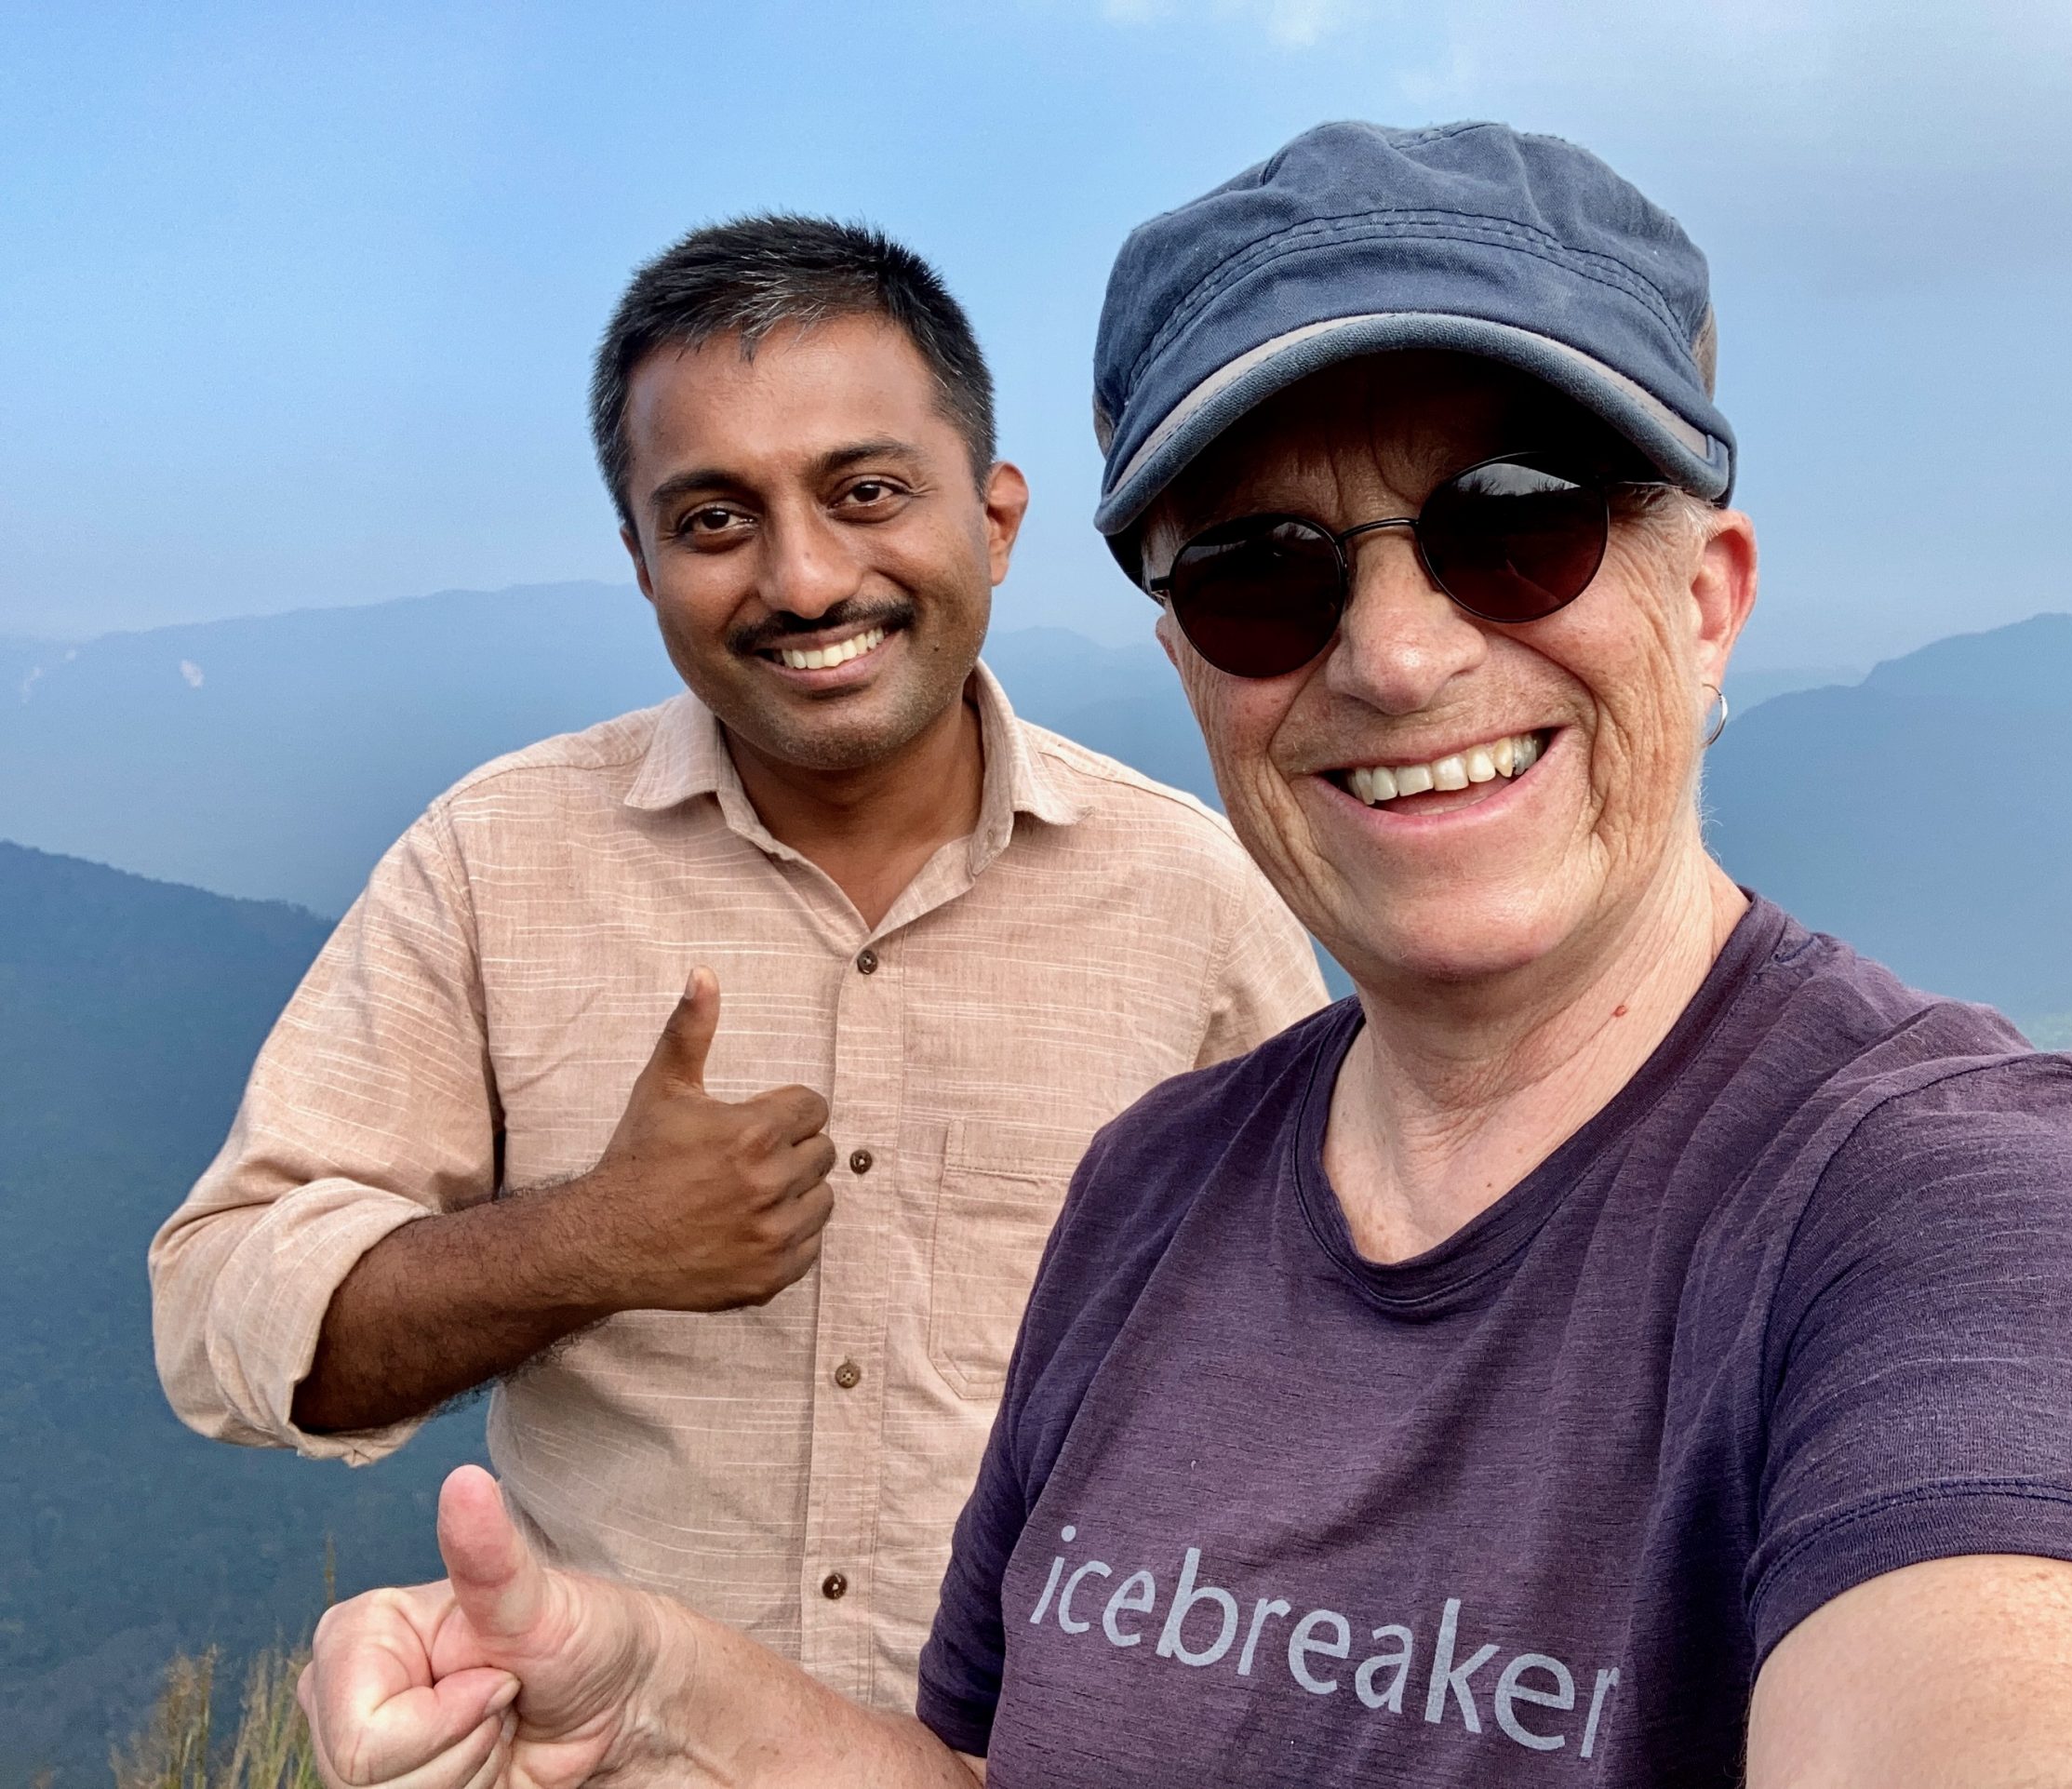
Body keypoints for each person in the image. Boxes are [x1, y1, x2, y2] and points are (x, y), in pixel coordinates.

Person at [295, 125, 2072, 1788]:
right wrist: (659, 1685)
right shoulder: (1154, 1185)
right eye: (1263, 573)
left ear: (1707, 599)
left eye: (1516, 523)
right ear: (1192, 664)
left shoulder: (1960, 1210)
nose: (1395, 655)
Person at [149, 214, 1325, 1709]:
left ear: (997, 519)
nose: (807, 578)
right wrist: (590, 1246)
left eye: (867, 492)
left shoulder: (1194, 900)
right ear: (643, 566)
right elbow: (219, 1316)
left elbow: (1333, 1369)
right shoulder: (495, 864)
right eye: (713, 520)